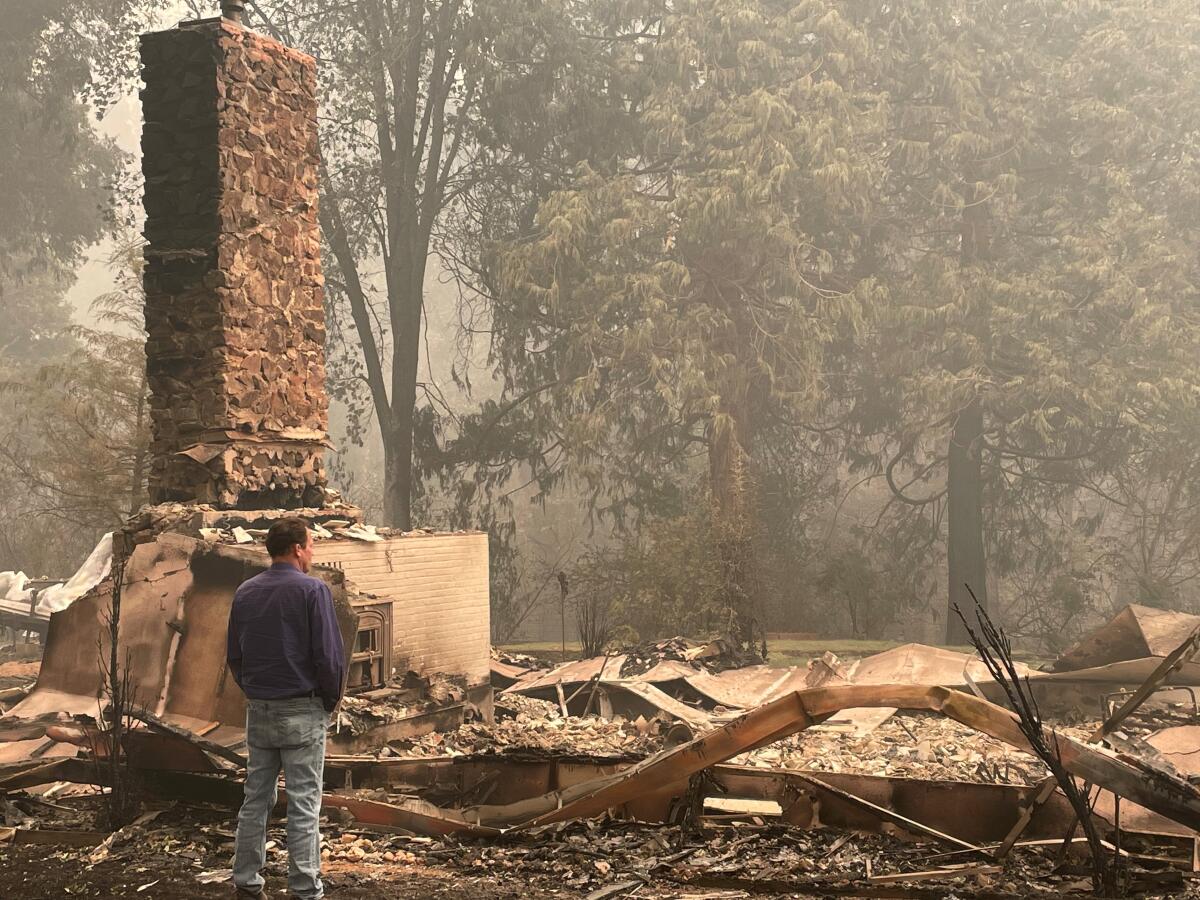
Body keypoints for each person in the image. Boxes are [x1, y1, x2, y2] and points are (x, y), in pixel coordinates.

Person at [226, 516, 346, 900]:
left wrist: (257, 692)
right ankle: (305, 888)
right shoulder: (313, 591)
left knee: (255, 800)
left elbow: (235, 657)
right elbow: (329, 657)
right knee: (305, 804)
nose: (313, 551)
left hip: (260, 709)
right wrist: (328, 702)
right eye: (311, 544)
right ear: (296, 548)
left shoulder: (245, 592)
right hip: (303, 710)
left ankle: (246, 882)